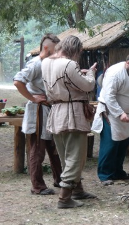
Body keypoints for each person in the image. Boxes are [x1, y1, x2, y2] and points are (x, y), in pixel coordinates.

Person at [41, 35, 97, 209]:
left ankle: (77, 189)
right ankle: (64, 198)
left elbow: (67, 83)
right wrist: (92, 74)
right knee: (76, 156)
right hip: (72, 112)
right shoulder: (69, 64)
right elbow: (87, 86)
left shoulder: (46, 63)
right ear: (75, 49)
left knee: (66, 155)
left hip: (56, 111)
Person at [13, 33, 62, 195]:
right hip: (39, 111)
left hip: (49, 110)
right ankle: (37, 186)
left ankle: (60, 179)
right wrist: (32, 98)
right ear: (46, 48)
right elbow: (18, 81)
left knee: (54, 147)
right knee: (37, 149)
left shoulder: (47, 63)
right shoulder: (35, 64)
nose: (57, 54)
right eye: (55, 51)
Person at [91, 51, 129, 185]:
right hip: (111, 113)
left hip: (127, 114)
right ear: (127, 63)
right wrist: (119, 113)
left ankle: (117, 172)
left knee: (122, 144)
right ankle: (105, 174)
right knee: (110, 144)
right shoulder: (114, 73)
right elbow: (109, 96)